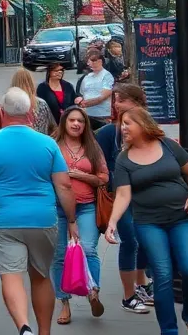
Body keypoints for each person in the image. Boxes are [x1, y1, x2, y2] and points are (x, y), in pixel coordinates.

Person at [0, 87, 79, 335]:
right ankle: (43, 332)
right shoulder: (48, 144)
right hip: (43, 219)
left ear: (3, 112)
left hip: (4, 219)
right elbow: (64, 185)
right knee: (41, 276)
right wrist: (71, 219)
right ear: (30, 112)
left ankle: (23, 326)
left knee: (11, 275)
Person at [106, 107, 188, 335]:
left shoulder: (168, 145)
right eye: (122, 123)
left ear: (142, 124)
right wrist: (112, 222)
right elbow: (122, 195)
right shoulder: (124, 159)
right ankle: (169, 330)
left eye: (128, 123)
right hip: (149, 223)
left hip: (182, 218)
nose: (123, 127)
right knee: (162, 274)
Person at [95, 83, 154, 313]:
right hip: (121, 195)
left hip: (146, 194)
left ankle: (142, 283)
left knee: (145, 240)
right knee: (130, 240)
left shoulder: (148, 129)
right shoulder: (110, 132)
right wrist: (117, 178)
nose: (116, 104)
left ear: (136, 102)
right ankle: (129, 295)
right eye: (115, 100)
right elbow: (100, 165)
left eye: (121, 99)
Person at [49, 107, 109, 324]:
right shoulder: (52, 145)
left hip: (87, 206)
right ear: (64, 122)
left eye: (81, 121)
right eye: (72, 120)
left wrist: (82, 176)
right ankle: (63, 302)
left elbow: (103, 178)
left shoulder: (92, 147)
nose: (76, 124)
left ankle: (93, 292)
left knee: (89, 249)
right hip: (57, 209)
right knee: (59, 256)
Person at [75, 49, 115, 131]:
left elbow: (103, 97)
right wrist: (79, 100)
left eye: (94, 61)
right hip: (88, 115)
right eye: (89, 61)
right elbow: (82, 94)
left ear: (100, 61)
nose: (91, 64)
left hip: (102, 116)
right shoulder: (86, 77)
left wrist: (86, 103)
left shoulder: (107, 75)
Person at [12, 67, 56, 134]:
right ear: (31, 83)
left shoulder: (8, 106)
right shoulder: (42, 104)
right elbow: (53, 127)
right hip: (41, 142)